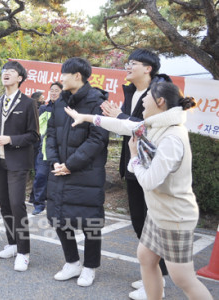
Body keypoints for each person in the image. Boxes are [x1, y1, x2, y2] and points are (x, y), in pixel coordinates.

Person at [66, 81, 212, 300]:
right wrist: (84, 117)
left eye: (147, 96)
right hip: (159, 212)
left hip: (175, 217)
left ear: (160, 101)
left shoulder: (172, 137)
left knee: (183, 278)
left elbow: (149, 181)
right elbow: (122, 125)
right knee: (146, 257)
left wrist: (134, 157)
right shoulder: (154, 125)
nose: (143, 101)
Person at [101, 50, 170, 299]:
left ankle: (157, 282)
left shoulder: (160, 92)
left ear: (148, 68)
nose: (127, 67)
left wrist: (119, 117)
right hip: (133, 165)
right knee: (139, 222)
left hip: (153, 167)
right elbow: (125, 128)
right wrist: (108, 118)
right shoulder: (132, 92)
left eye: (133, 63)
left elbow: (150, 128)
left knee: (153, 225)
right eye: (127, 63)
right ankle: (152, 274)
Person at [46, 57, 109, 288]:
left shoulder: (96, 102)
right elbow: (51, 133)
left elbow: (98, 139)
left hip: (85, 173)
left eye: (64, 74)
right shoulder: (60, 101)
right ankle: (72, 262)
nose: (60, 78)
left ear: (77, 76)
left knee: (89, 222)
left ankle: (90, 267)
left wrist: (70, 164)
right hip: (60, 170)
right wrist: (55, 161)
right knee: (58, 216)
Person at [0, 61, 39, 272]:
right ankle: (12, 244)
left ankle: (24, 252)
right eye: (4, 71)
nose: (5, 73)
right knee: (5, 205)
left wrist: (10, 139)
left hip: (18, 161)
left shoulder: (28, 103)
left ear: (20, 78)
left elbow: (34, 135)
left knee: (17, 205)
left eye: (11, 71)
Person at [31, 81, 63, 215]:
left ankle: (55, 206)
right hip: (44, 149)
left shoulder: (66, 109)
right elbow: (38, 128)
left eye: (57, 90)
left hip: (60, 151)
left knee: (57, 179)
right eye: (52, 90)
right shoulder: (44, 109)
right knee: (41, 175)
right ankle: (38, 204)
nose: (54, 93)